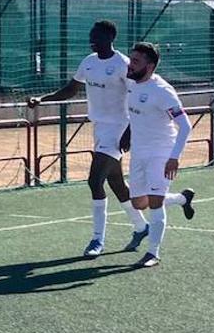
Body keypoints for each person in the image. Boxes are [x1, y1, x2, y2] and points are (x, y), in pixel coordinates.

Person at [29, 20, 150, 257]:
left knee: (94, 181)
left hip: (118, 129)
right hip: (100, 128)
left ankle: (97, 240)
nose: (91, 40)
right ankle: (141, 226)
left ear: (110, 38)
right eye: (91, 35)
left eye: (96, 36)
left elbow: (137, 97)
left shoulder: (122, 64)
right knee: (115, 182)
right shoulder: (89, 62)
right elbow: (70, 90)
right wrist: (42, 99)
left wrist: (130, 132)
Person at [124, 42, 196, 269]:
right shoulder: (132, 84)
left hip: (161, 154)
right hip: (138, 152)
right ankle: (182, 199)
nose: (130, 64)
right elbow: (136, 116)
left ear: (150, 66)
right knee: (138, 203)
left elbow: (185, 126)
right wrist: (127, 135)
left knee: (155, 203)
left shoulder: (162, 91)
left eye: (136, 61)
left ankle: (152, 253)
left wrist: (174, 157)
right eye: (131, 59)